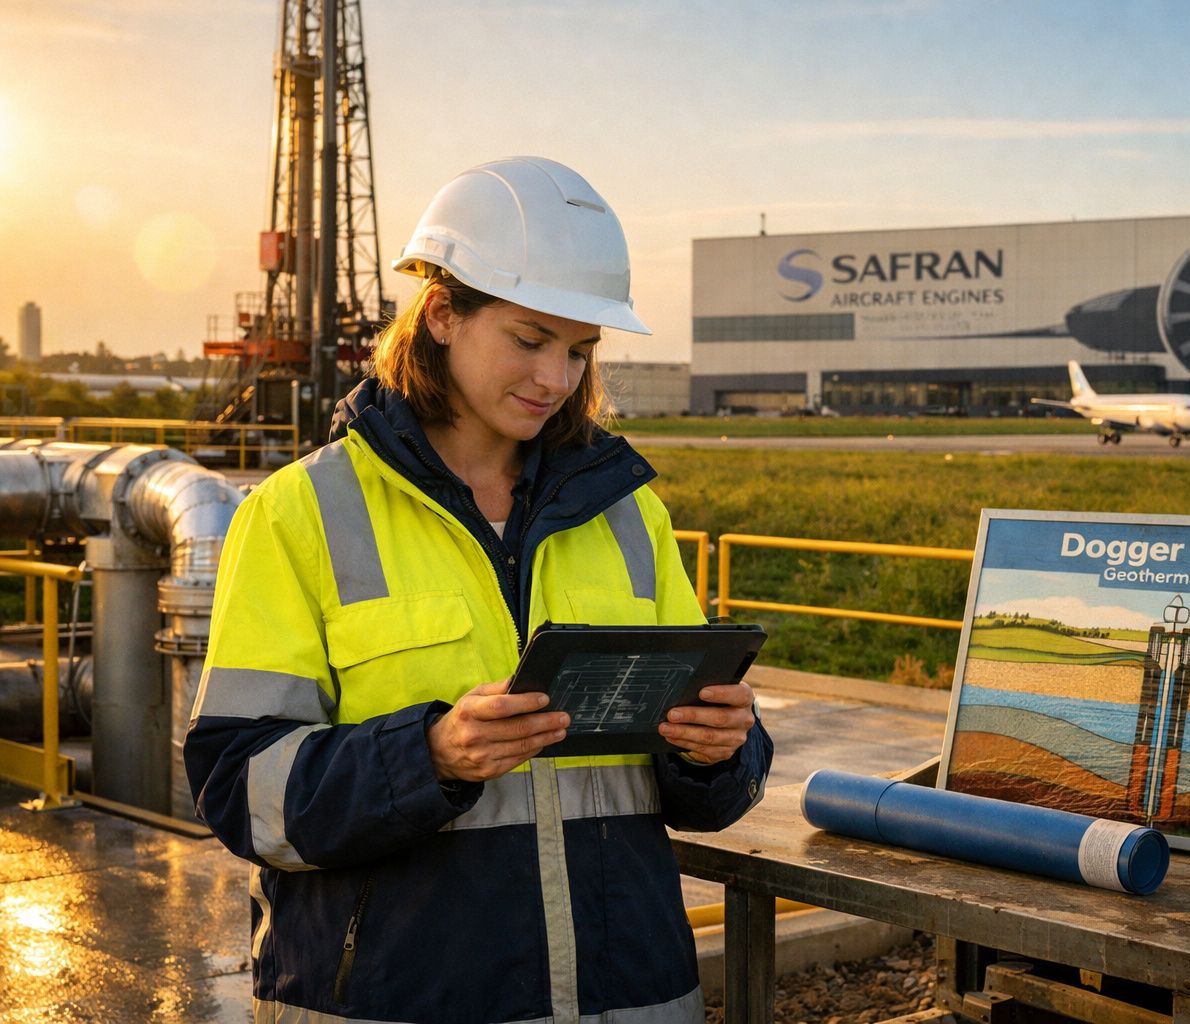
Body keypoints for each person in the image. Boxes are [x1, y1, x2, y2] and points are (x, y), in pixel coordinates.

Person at [185, 156, 772, 1024]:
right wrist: (428, 758)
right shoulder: (298, 514)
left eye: (579, 350)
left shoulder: (628, 514)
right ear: (443, 314)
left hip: (634, 997)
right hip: (398, 999)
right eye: (530, 339)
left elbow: (704, 786)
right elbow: (240, 789)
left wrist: (719, 749)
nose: (556, 379)